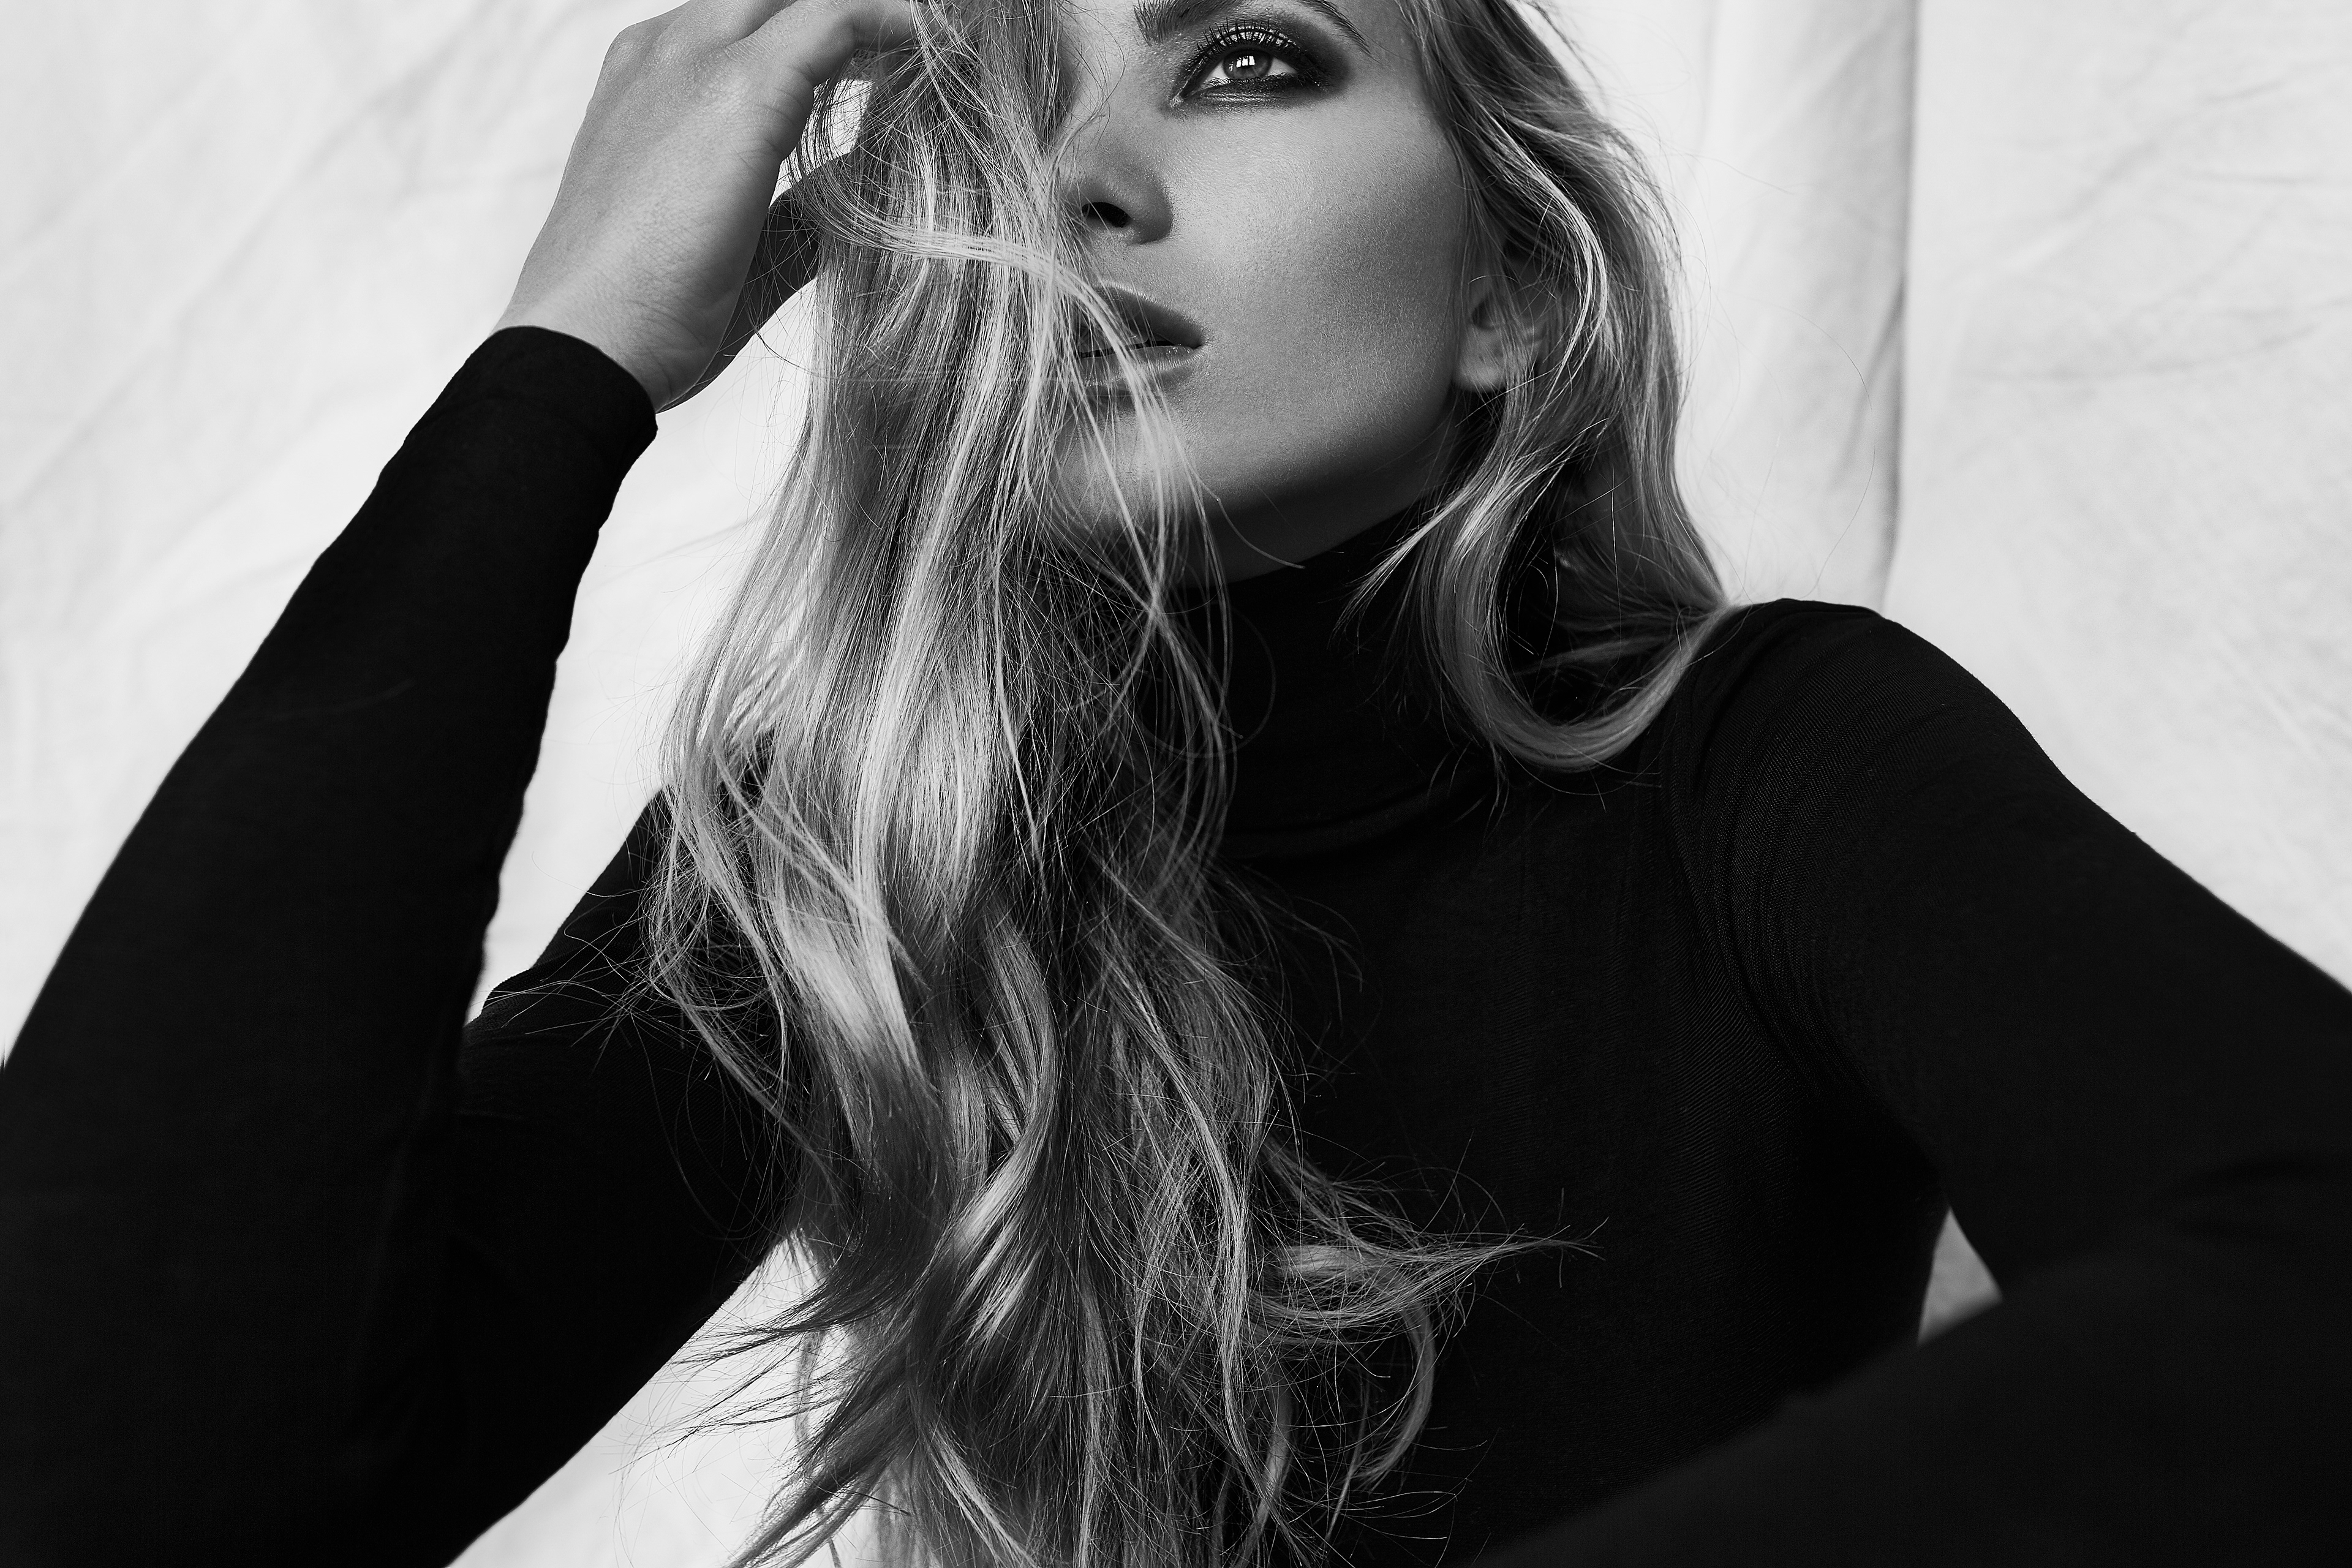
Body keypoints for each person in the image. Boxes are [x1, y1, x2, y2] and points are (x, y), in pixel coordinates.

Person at [1, 0, 2347, 1563]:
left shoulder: (1757, 760)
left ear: (1513, 293)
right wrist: (568, 359)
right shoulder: (848, 867)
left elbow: (2304, 1273)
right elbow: (119, 1494)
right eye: (991, 118)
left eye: (1243, 57)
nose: (1075, 184)